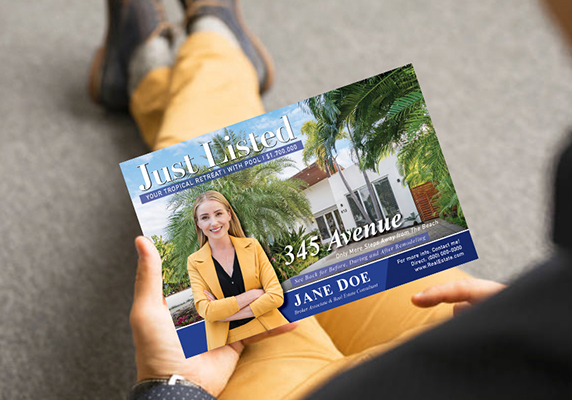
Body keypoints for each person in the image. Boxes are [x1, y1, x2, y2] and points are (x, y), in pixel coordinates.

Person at [92, 1, 485, 399]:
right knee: (209, 154)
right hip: (469, 356)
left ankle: (200, 48)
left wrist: (173, 388)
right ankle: (169, 61)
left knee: (199, 157)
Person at [187, 190, 288, 349]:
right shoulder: (194, 262)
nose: (213, 223)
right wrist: (253, 294)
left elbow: (275, 296)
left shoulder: (252, 246)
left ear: (229, 215)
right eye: (205, 217)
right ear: (198, 224)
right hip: (228, 344)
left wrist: (225, 316)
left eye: (218, 213)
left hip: (271, 330)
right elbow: (207, 311)